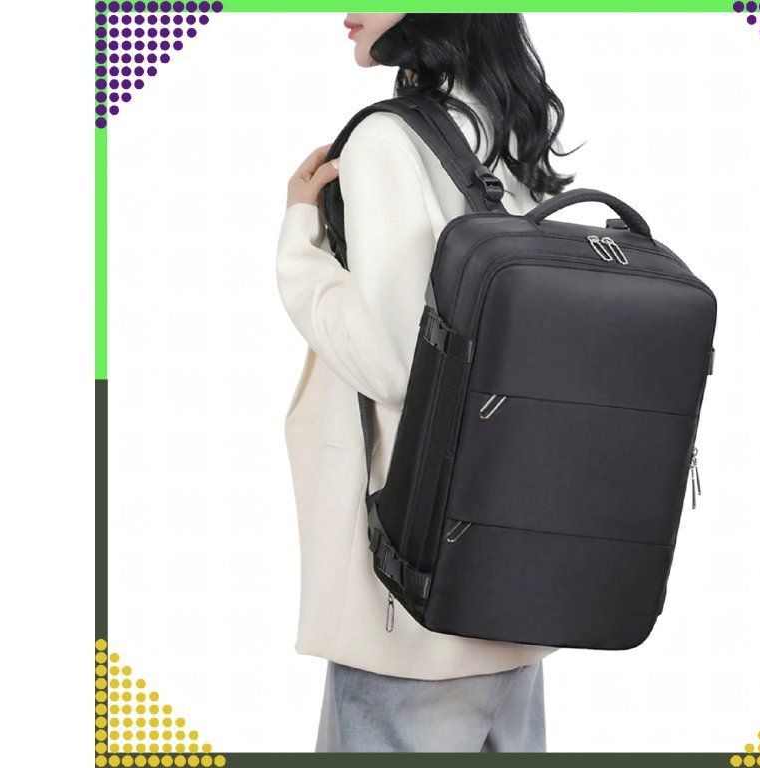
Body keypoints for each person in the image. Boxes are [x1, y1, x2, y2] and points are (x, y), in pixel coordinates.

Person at [274, 13, 575, 753]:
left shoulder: (387, 140)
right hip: (508, 598)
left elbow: (389, 362)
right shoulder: (507, 134)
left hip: (406, 613)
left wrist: (301, 242)